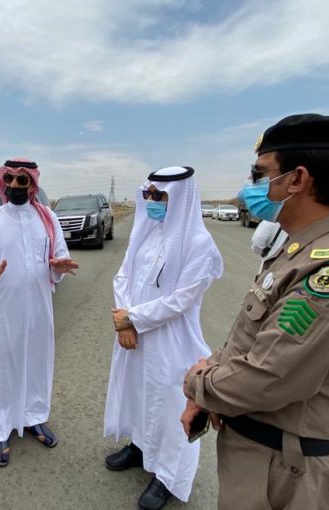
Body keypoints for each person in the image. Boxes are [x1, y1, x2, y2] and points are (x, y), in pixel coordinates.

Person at [181, 113, 329, 510]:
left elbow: (268, 377)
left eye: (260, 174)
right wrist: (214, 383)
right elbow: (251, 340)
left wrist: (198, 383)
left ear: (297, 180)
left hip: (291, 475)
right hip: (267, 461)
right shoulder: (299, 250)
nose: (251, 184)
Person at [103, 166, 224, 510]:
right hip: (134, 337)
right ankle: (140, 448)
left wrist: (132, 319)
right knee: (138, 393)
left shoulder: (199, 244)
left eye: (160, 195)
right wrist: (125, 321)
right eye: (149, 195)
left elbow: (180, 300)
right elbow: (122, 276)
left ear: (181, 197)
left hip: (171, 342)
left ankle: (169, 477)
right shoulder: (147, 232)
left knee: (170, 405)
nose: (153, 201)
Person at [0, 157, 78, 467]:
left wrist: (59, 267)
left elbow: (59, 256)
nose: (14, 184)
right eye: (10, 179)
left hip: (39, 308)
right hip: (3, 309)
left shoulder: (47, 218)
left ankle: (35, 417)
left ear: (32, 184)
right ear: (3, 181)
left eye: (22, 179)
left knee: (37, 362)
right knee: (2, 367)